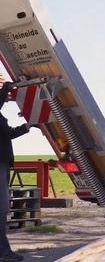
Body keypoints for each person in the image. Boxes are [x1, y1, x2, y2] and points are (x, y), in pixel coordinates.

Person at [0, 74, 31, 262]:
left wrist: (28, 127)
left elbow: (9, 134)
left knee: (2, 209)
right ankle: (3, 252)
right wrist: (6, 89)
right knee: (1, 208)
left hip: (3, 163)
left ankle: (3, 251)